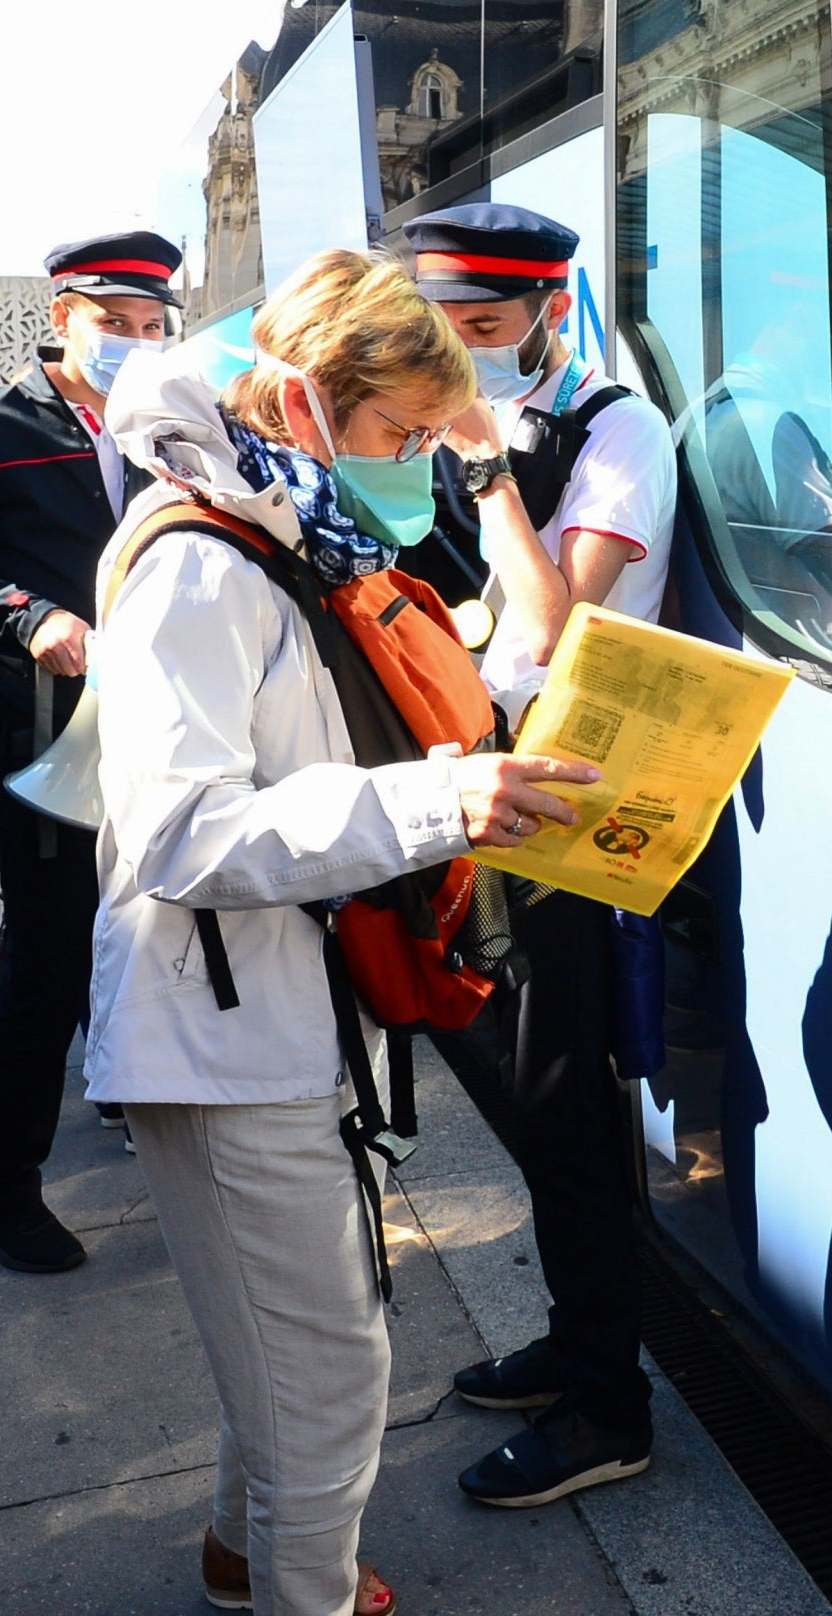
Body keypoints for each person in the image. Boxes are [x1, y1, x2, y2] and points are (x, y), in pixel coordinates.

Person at [92, 248, 599, 1615]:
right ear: (302, 403)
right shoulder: (203, 567)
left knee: (291, 1354)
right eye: (399, 436)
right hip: (225, 1034)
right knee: (329, 1384)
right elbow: (175, 833)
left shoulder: (268, 533)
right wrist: (437, 800)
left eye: (434, 439)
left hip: (266, 1020)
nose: (416, 467)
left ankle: (240, 1557)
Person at [413, 203, 679, 1507]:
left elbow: (560, 620)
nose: (461, 360)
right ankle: (580, 1343)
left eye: (483, 331)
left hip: (572, 816)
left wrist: (481, 469)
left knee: (568, 1108)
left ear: (547, 313)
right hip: (495, 802)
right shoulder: (509, 430)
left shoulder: (612, 430)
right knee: (530, 1096)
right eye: (442, 336)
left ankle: (610, 1405)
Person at [0, 232, 178, 1271]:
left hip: (156, 723)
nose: (136, 343)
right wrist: (30, 617)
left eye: (154, 326)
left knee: (149, 924)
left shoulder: (166, 424)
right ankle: (14, 1184)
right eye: (115, 325)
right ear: (63, 316)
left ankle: (127, 1087)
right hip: (42, 731)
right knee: (50, 955)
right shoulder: (10, 424)